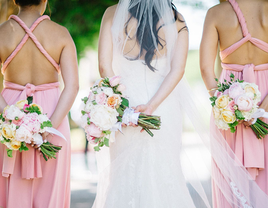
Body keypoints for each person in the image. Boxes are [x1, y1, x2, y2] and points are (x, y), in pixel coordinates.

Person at [93, 0, 199, 207]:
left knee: (124, 174)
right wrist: (151, 106)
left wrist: (123, 106)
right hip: (163, 107)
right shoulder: (176, 19)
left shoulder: (112, 13)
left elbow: (104, 67)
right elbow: (177, 70)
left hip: (126, 108)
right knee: (166, 171)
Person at [0, 0, 79, 207]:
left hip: (9, 119)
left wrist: (11, 120)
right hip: (54, 117)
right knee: (50, 193)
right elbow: (72, 87)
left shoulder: (2, 33)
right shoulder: (61, 34)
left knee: (12, 186)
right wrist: (49, 125)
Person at [200, 0, 268, 207]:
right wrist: (263, 110)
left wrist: (225, 105)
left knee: (230, 176)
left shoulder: (216, 13)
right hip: (265, 95)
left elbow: (205, 69)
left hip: (229, 97)